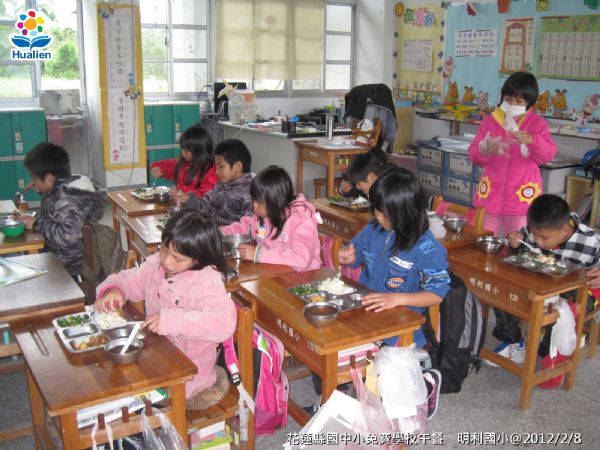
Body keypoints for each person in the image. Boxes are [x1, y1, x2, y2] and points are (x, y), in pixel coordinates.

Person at [95, 209, 237, 405]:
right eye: (163, 249)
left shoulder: (206, 281)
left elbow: (223, 324)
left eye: (177, 259)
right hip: (156, 358)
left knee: (117, 393)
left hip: (188, 376)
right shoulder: (156, 265)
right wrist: (114, 289)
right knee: (105, 375)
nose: (167, 261)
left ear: (198, 258)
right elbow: (131, 280)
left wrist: (170, 321)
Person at [338, 168, 451, 347]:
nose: (379, 218)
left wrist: (397, 298)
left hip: (400, 328)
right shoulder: (374, 229)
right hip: (366, 312)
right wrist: (349, 257)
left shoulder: (426, 248)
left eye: (386, 214)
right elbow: (356, 252)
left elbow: (437, 294)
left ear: (408, 211)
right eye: (377, 210)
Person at [485, 194, 600, 364]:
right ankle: (513, 341)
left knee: (562, 308)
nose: (537, 241)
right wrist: (515, 241)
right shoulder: (537, 229)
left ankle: (550, 350)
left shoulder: (590, 241)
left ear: (565, 231)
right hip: (543, 282)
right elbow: (520, 244)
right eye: (534, 235)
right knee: (504, 286)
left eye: (544, 238)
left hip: (582, 291)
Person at [468, 71, 557, 237]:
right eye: (508, 99)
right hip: (490, 198)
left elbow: (547, 155)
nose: (512, 104)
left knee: (518, 245)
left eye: (519, 101)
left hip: (521, 200)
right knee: (480, 240)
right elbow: (473, 155)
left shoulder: (537, 124)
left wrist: (533, 140)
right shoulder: (491, 120)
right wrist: (484, 150)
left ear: (529, 103)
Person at [15, 143, 105, 277]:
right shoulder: (65, 190)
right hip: (63, 254)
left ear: (49, 178)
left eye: (34, 178)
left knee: (21, 265)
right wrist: (42, 188)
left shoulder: (66, 199)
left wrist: (36, 224)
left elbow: (68, 235)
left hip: (70, 264)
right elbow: (56, 204)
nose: (33, 181)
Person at [221, 165, 321, 272]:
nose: (254, 206)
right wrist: (221, 233)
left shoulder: (301, 221)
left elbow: (302, 259)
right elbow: (245, 227)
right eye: (254, 200)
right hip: (274, 271)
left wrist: (258, 254)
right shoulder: (265, 214)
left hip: (303, 277)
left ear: (276, 201)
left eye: (259, 202)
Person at [183, 139, 253, 226]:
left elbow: (250, 227)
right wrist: (189, 200)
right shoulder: (220, 186)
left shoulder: (249, 195)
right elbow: (204, 207)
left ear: (237, 166)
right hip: (210, 230)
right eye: (216, 167)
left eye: (221, 167)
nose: (216, 171)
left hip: (228, 234)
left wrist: (226, 230)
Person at [150, 124, 218, 203]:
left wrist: (184, 194)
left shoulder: (212, 170)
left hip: (200, 209)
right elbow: (169, 165)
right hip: (182, 205)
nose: (183, 152)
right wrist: (157, 167)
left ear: (199, 150)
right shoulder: (183, 162)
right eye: (182, 149)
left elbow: (207, 194)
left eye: (187, 150)